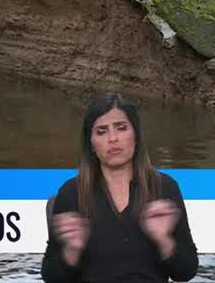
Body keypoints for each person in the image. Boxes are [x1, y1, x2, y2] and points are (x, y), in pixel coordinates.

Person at [41, 93, 198, 283]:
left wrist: (165, 241)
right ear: (91, 143)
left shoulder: (164, 188)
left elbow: (186, 272)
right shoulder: (71, 193)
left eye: (121, 128)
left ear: (136, 135)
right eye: (101, 131)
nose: (113, 138)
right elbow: (52, 277)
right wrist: (71, 251)